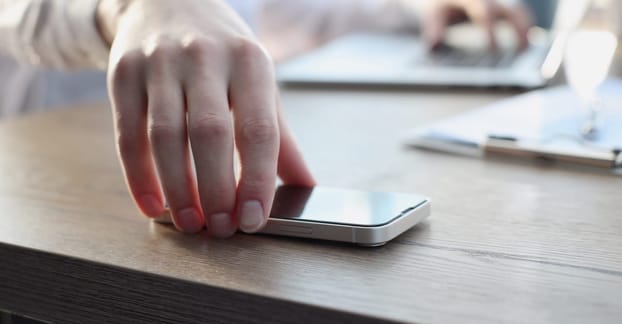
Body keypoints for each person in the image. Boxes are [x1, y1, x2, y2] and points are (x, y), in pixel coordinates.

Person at [0, 0, 532, 239]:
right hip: (61, 218)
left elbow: (294, 11)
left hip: (210, 225)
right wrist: (128, 7)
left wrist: (422, 6)